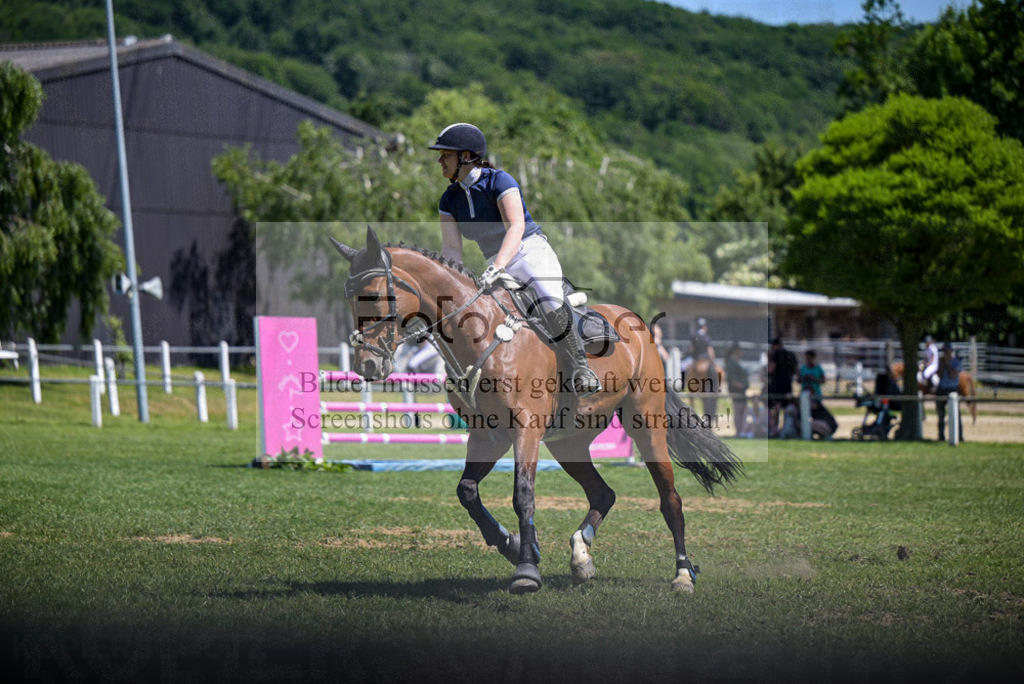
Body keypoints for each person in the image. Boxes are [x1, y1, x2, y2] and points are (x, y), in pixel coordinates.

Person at [430, 123, 601, 396]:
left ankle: (581, 368)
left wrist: (498, 266)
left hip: (527, 251)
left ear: (465, 156)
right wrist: (446, 282)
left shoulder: (500, 181)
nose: (439, 160)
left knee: (548, 297)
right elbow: (452, 249)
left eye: (445, 155)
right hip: (493, 262)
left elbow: (516, 228)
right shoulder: (449, 199)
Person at [764, 337, 796, 438]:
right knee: (787, 409)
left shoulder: (775, 354)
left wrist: (769, 359)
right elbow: (796, 370)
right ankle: (786, 430)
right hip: (788, 387)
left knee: (776, 408)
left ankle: (775, 430)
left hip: (777, 387)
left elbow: (771, 370)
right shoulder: (791, 355)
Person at [935, 343, 964, 442]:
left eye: (947, 352)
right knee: (940, 415)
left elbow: (953, 375)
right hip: (941, 389)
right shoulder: (940, 362)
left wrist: (947, 364)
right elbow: (938, 375)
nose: (945, 354)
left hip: (952, 389)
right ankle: (941, 436)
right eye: (944, 352)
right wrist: (941, 365)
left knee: (956, 414)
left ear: (951, 352)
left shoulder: (956, 362)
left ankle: (959, 436)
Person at [725, 345, 750, 437]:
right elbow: (733, 380)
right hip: (737, 391)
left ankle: (741, 431)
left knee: (743, 411)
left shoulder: (737, 362)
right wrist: (742, 387)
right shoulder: (732, 363)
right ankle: (739, 432)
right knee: (739, 411)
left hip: (742, 391)